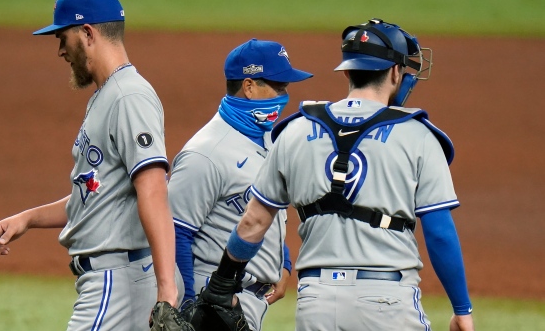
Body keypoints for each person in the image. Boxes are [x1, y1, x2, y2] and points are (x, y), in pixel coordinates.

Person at [195, 19, 475, 331]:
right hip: (387, 303)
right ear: (395, 72)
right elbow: (438, 232)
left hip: (317, 303)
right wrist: (461, 309)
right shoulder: (418, 135)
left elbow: (254, 222)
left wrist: (222, 282)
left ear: (347, 71)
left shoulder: (295, 130)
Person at [0, 0, 185, 330]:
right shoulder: (108, 96)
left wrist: (166, 293)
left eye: (63, 38)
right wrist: (28, 219)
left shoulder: (127, 97)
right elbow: (95, 195)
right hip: (119, 278)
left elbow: (153, 188)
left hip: (118, 283)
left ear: (88, 33)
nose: (61, 51)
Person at [169, 38, 312, 330]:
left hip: (248, 302)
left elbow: (266, 211)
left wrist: (282, 263)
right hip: (210, 301)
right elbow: (175, 233)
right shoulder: (205, 153)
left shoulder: (270, 139)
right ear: (249, 87)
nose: (284, 96)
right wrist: (186, 308)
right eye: (279, 86)